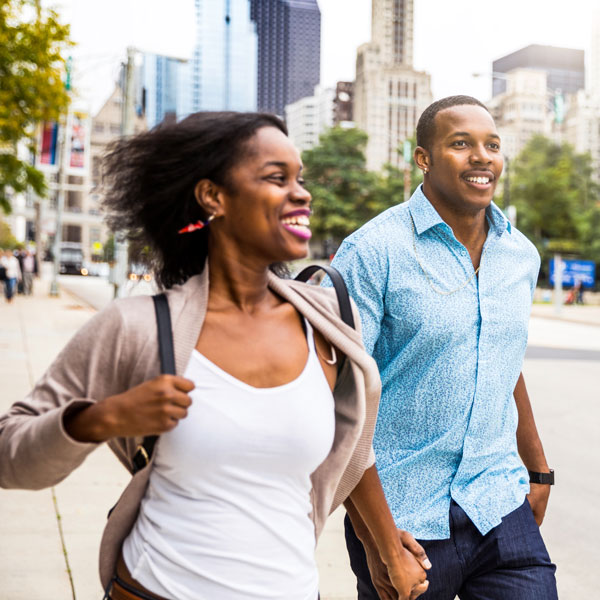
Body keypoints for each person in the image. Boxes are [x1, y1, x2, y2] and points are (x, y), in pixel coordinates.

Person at [0, 112, 430, 600]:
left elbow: (355, 448)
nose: (302, 194)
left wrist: (384, 547)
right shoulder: (138, 326)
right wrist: (100, 418)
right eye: (276, 178)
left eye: (300, 179)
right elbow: (9, 456)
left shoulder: (325, 321)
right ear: (213, 196)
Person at [328, 96, 557, 599]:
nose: (482, 157)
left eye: (492, 145)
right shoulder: (371, 252)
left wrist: (537, 468)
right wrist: (378, 540)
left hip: (498, 501)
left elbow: (499, 355)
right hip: (401, 515)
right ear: (423, 159)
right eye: (461, 144)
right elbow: (339, 403)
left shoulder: (520, 254)